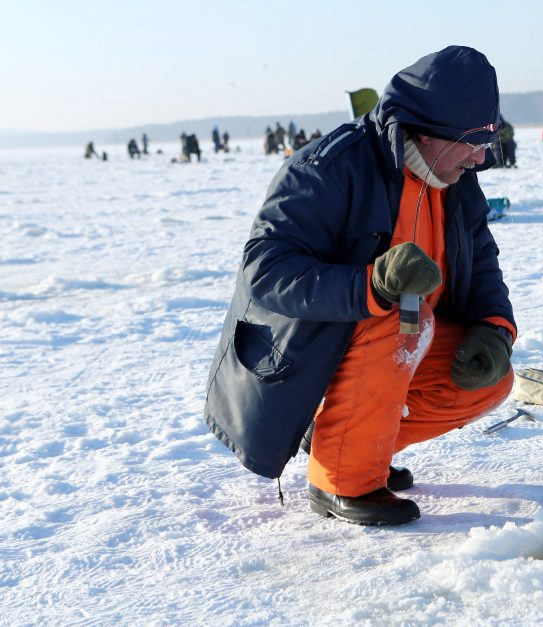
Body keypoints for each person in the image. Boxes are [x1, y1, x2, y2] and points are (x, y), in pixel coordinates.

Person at [204, 45, 515, 527]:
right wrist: (370, 285)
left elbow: (481, 257)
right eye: (474, 140)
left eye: (488, 140)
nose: (481, 156)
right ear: (430, 129)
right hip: (309, 354)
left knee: (490, 375)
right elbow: (264, 270)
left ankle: (346, 443)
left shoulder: (455, 177)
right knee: (397, 318)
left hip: (405, 338)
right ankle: (341, 480)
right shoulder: (331, 168)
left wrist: (495, 329)